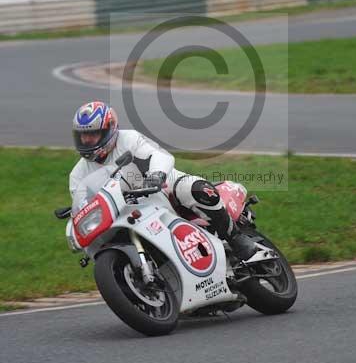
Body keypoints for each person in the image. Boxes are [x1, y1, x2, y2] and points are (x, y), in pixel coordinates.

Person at [69, 101, 257, 261]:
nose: (87, 140)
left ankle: (235, 238)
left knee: (198, 190)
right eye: (82, 136)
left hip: (160, 187)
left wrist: (157, 174)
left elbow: (158, 155)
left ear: (109, 129)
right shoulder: (77, 174)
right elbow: (82, 205)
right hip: (125, 210)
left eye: (92, 134)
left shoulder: (129, 139)